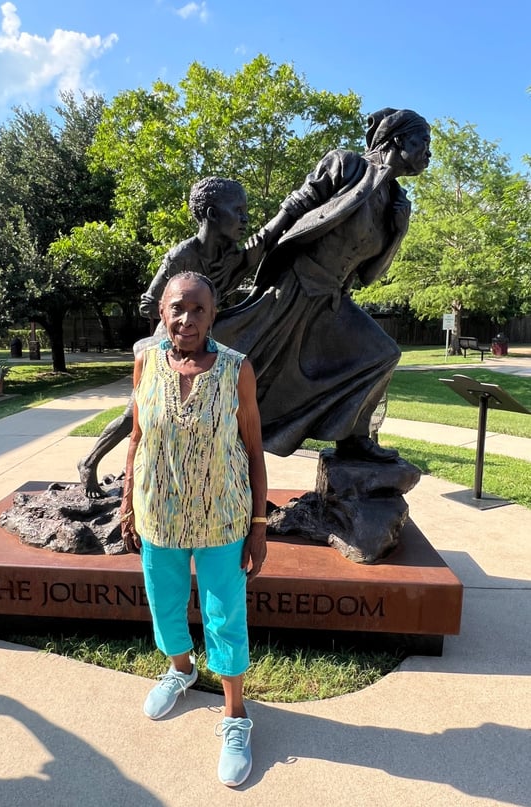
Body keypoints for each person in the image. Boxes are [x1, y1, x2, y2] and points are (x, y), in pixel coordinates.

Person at [213, 108, 432, 461]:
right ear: (397, 140)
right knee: (239, 360)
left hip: (332, 299)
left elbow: (369, 275)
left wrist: (399, 231)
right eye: (424, 141)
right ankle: (189, 420)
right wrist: (262, 239)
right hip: (295, 285)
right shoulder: (347, 164)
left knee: (382, 354)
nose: (428, 152)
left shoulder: (397, 201)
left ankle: (354, 438)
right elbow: (299, 203)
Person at [119, 271, 267, 788]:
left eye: (199, 309)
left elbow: (253, 449)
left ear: (213, 314)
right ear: (161, 311)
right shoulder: (146, 362)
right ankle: (181, 669)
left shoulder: (235, 369)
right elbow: (137, 437)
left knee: (224, 614)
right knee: (164, 601)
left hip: (223, 517)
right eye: (177, 308)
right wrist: (127, 502)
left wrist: (260, 525)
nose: (187, 319)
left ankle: (235, 717)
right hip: (158, 513)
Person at [79, 177, 264, 498]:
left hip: (201, 350)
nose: (245, 219)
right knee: (132, 417)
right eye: (238, 210)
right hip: (167, 348)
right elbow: (147, 303)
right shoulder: (182, 256)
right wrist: (182, 318)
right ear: (211, 214)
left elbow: (266, 241)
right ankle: (89, 461)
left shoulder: (230, 255)